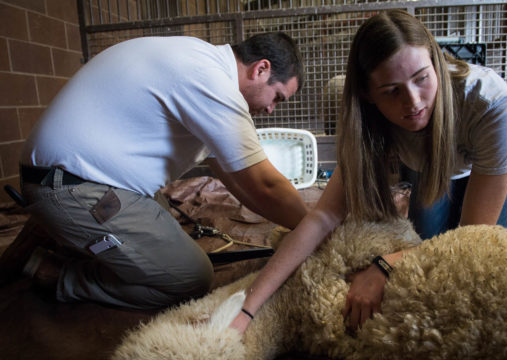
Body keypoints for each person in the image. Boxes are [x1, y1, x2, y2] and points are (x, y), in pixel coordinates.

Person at [229, 10, 507, 333]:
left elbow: (471, 237)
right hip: (430, 157)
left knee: (475, 263)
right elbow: (321, 218)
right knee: (429, 241)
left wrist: (385, 265)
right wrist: (247, 308)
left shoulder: (494, 107)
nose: (414, 102)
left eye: (422, 78)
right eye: (392, 91)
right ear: (368, 95)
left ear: (435, 62)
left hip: (497, 149)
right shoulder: (369, 123)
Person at [0, 32, 309, 309]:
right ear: (261, 69)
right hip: (71, 186)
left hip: (68, 177)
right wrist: (317, 229)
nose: (271, 109)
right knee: (190, 277)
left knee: (167, 236)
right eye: (277, 98)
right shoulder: (211, 80)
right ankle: (54, 274)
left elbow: (241, 182)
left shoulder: (197, 59)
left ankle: (57, 232)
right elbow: (265, 185)